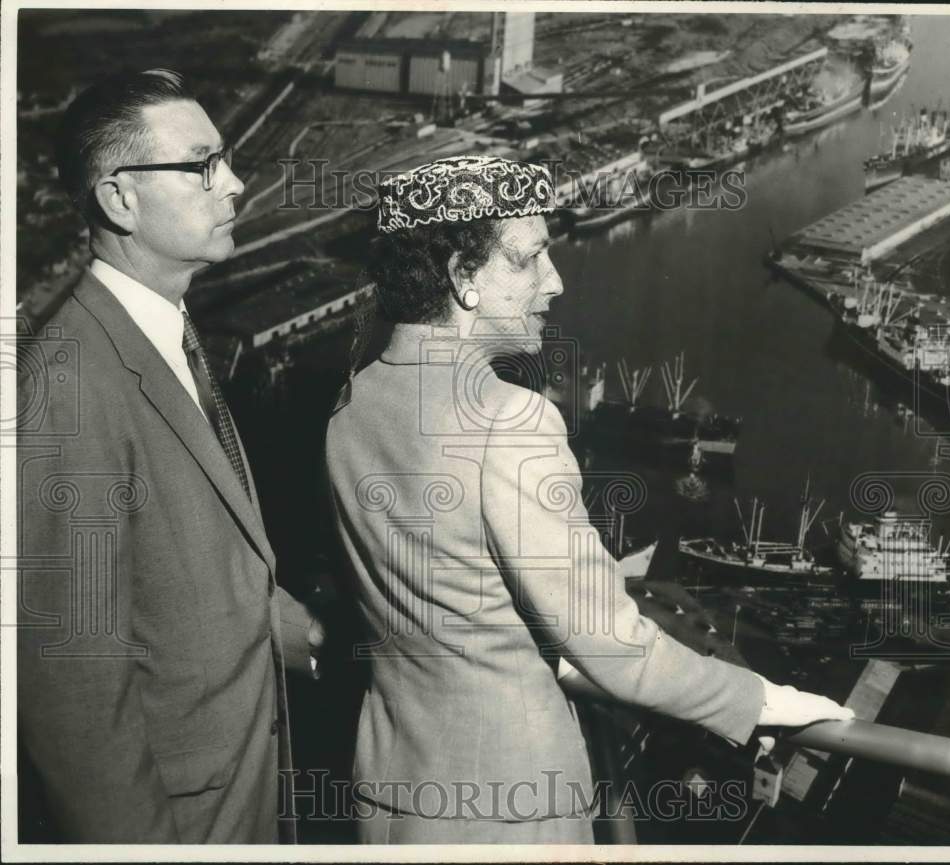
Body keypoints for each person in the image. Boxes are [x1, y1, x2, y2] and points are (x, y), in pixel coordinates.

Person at [324, 155, 854, 844]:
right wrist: (760, 701)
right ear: (462, 278)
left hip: (394, 796)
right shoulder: (510, 421)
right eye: (532, 258)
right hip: (510, 815)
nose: (556, 280)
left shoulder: (351, 406)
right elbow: (614, 646)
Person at [17, 69, 323, 843]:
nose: (236, 184)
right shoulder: (68, 383)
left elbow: (181, 563)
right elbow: (73, 692)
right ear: (119, 200)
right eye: (203, 165)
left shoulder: (164, 337)